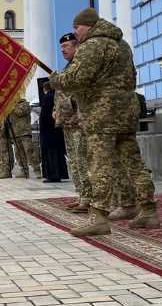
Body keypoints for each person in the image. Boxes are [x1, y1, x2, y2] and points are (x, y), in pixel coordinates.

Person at [50, 7, 159, 236]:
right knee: (133, 162)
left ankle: (99, 216)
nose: (75, 32)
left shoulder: (93, 45)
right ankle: (148, 210)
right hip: (126, 110)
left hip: (102, 113)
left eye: (77, 27)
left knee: (99, 163)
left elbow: (77, 79)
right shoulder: (122, 44)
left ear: (88, 25)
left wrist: (55, 80)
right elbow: (132, 76)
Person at [54, 33, 90, 213]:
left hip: (79, 123)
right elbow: (60, 94)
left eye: (66, 46)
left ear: (76, 47)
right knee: (74, 163)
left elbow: (80, 95)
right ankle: (82, 195)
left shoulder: (81, 68)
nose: (62, 50)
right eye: (61, 48)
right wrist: (56, 110)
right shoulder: (67, 69)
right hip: (67, 123)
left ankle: (89, 198)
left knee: (83, 161)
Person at [39, 82, 68, 183]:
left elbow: (45, 116)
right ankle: (59, 174)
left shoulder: (48, 97)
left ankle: (53, 175)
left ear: (44, 89)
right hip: (55, 130)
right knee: (57, 153)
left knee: (51, 154)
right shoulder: (55, 96)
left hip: (48, 131)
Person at [10, 99, 42, 179]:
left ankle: (37, 170)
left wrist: (11, 106)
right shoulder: (11, 105)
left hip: (25, 132)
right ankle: (24, 171)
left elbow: (20, 112)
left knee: (29, 151)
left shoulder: (24, 104)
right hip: (15, 133)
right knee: (19, 154)